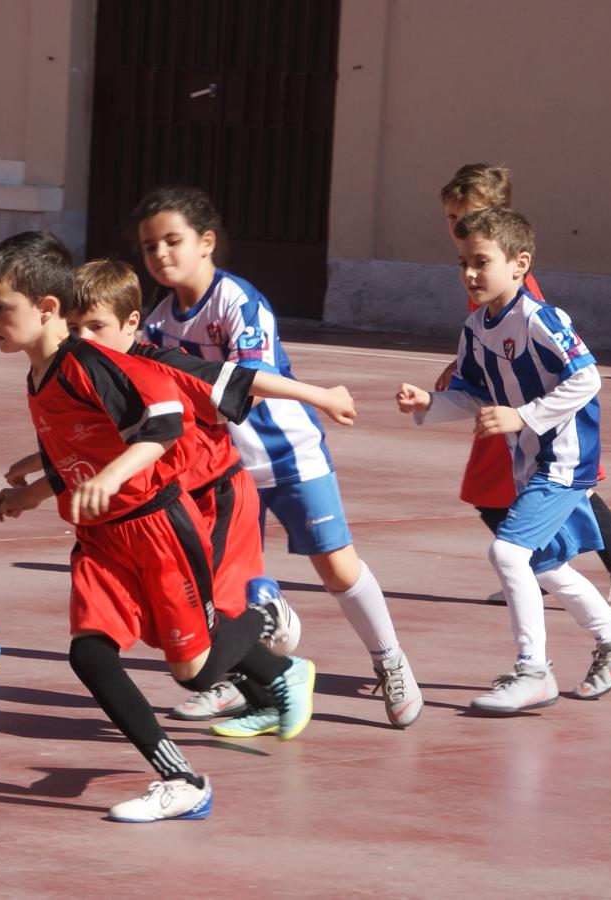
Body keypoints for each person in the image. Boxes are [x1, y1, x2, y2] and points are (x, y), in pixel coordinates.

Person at [0, 231, 315, 823]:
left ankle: (266, 616)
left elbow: (160, 428)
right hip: (100, 541)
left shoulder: (91, 364)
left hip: (156, 528)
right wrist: (31, 493)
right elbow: (70, 451)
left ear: (46, 307)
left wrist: (112, 477)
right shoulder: (39, 376)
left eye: (1, 308)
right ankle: (182, 779)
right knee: (91, 656)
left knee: (197, 673)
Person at [129, 185, 423, 730]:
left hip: (287, 456)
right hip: (222, 471)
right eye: (150, 247)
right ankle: (240, 681)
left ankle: (390, 660)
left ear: (206, 242)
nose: (161, 254)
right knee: (220, 585)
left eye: (173, 241)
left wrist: (319, 395)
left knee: (337, 567)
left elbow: (253, 381)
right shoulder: (157, 320)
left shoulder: (237, 301)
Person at [62, 258, 358, 737]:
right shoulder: (86, 374)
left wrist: (321, 395)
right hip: (172, 507)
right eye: (75, 328)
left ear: (131, 323)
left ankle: (269, 623)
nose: (85, 339)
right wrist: (36, 473)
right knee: (180, 626)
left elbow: (246, 380)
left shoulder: (160, 364)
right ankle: (272, 689)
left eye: (96, 326)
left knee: (208, 629)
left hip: (216, 496)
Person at [396, 207, 611, 713]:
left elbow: (588, 378)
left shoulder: (541, 319)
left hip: (565, 461)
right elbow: (471, 394)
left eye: (481, 261)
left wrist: (523, 416)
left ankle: (533, 671)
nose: (470, 273)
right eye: (463, 262)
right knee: (544, 563)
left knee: (508, 555)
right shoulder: (474, 327)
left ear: (519, 263)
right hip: (530, 463)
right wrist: (430, 403)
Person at [437, 163, 611, 619]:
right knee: (491, 494)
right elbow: (490, 336)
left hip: (537, 412)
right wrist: (461, 365)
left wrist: (530, 412)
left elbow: (562, 356)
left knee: (576, 491)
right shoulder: (477, 274)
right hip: (503, 408)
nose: (458, 227)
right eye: (451, 218)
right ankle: (542, 570)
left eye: (466, 216)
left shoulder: (517, 284)